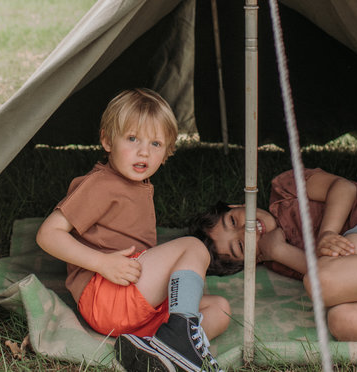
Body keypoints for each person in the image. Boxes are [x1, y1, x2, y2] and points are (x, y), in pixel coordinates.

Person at [36, 88, 231, 372]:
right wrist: (101, 262)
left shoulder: (138, 184)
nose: (144, 151)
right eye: (132, 139)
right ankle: (179, 341)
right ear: (106, 140)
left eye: (156, 143)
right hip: (105, 294)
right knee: (193, 247)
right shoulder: (101, 184)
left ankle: (162, 352)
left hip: (132, 300)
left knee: (220, 309)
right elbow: (48, 234)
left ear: (168, 151)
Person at [190, 167, 357, 342]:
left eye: (234, 220)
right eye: (241, 246)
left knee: (322, 279)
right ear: (253, 260)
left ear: (237, 205)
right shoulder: (279, 263)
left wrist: (328, 233)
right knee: (343, 320)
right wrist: (279, 252)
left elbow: (343, 187)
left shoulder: (284, 191)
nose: (246, 230)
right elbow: (342, 283)